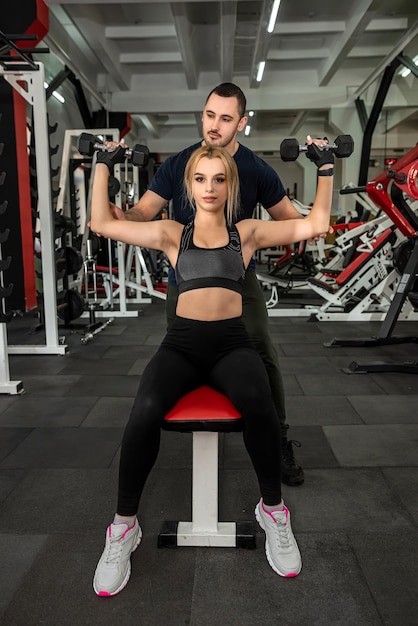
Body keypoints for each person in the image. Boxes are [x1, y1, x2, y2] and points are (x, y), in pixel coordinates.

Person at [90, 139, 334, 596]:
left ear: (230, 184)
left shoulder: (249, 232)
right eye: (201, 179)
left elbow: (317, 222)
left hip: (230, 346)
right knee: (144, 408)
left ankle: (273, 510)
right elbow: (100, 222)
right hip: (180, 346)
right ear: (189, 183)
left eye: (219, 179)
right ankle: (123, 527)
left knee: (260, 403)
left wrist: (324, 168)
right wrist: (102, 164)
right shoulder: (170, 232)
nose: (209, 187)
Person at [108, 83, 325, 486]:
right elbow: (144, 211)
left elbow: (285, 219)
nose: (214, 125)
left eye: (226, 118)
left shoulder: (257, 171)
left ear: (241, 123)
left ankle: (277, 439)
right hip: (185, 279)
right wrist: (123, 218)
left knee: (262, 349)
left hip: (239, 278)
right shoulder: (178, 166)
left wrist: (313, 214)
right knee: (181, 357)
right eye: (209, 115)